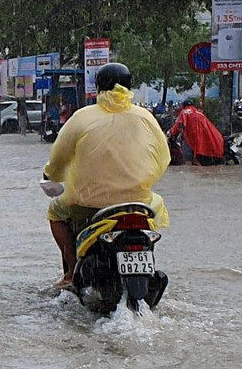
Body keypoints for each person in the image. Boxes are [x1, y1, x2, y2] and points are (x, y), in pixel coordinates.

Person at [40, 63, 171, 289]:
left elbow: (58, 159)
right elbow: (162, 158)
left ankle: (72, 272)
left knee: (56, 212)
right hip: (138, 202)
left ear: (98, 86)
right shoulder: (145, 117)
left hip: (89, 203)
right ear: (130, 86)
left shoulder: (82, 117)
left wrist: (51, 174)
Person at [168, 101, 236, 165]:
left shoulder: (185, 112)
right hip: (209, 136)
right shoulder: (198, 112)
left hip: (195, 138)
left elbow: (178, 125)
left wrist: (171, 132)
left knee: (190, 157)